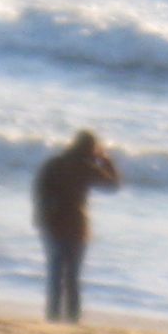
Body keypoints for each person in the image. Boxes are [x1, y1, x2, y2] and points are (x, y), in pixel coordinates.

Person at [33, 130, 120, 322]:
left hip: (54, 224)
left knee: (55, 274)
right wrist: (105, 160)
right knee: (72, 277)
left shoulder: (55, 164)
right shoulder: (86, 168)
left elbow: (40, 190)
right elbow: (113, 184)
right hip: (77, 227)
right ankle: (72, 319)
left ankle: (53, 316)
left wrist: (41, 216)